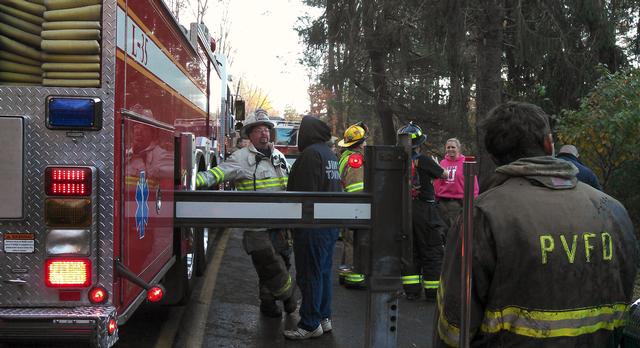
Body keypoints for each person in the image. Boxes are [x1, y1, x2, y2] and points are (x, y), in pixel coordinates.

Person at [434, 101, 638, 347]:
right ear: (549, 144)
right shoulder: (613, 211)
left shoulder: (482, 216)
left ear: (493, 154)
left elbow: (453, 330)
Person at [195, 109, 297, 318]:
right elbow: (217, 173)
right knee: (270, 264)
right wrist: (191, 181)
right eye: (258, 130)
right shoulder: (240, 158)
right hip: (256, 226)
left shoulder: (279, 156)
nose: (264, 134)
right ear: (249, 135)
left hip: (281, 224)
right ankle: (289, 298)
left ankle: (268, 303)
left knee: (281, 262)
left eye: (266, 129)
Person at [283, 116, 342, 340]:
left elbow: (303, 195)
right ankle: (324, 317)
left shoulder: (310, 155)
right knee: (324, 272)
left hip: (312, 226)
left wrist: (292, 223)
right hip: (329, 224)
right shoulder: (329, 154)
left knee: (310, 274)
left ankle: (309, 323)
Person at [397, 122, 449, 301]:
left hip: (403, 211)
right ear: (418, 144)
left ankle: (411, 291)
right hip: (425, 211)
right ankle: (433, 292)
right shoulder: (424, 160)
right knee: (432, 249)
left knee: (410, 250)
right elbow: (444, 175)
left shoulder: (397, 161)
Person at [336, 122, 368, 288]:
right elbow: (357, 187)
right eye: (365, 142)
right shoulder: (356, 160)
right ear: (361, 143)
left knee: (349, 241)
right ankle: (354, 279)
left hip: (347, 205)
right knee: (355, 241)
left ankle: (345, 273)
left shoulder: (345, 156)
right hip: (355, 206)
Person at [434, 138, 479, 230]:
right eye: (448, 147)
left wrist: (473, 201)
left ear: (458, 148)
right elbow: (438, 182)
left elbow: (474, 184)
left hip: (460, 203)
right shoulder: (443, 162)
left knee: (458, 231)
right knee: (444, 230)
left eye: (453, 147)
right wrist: (436, 198)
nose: (450, 149)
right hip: (443, 203)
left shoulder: (465, 162)